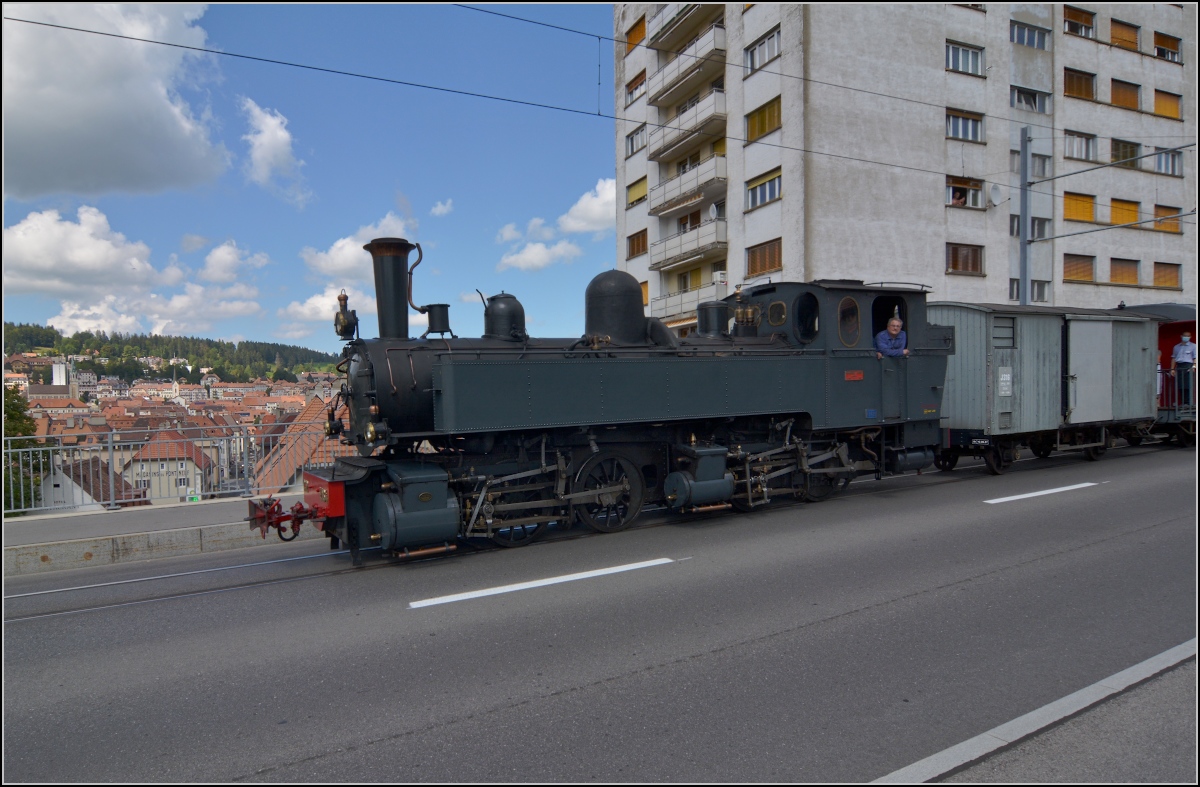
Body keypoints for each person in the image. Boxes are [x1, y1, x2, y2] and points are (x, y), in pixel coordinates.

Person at [1170, 331, 1196, 405]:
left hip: (1188, 365)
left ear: (1190, 337)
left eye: (1188, 336)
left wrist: (1194, 366)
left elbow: (1195, 357)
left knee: (1188, 384)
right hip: (1179, 365)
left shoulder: (1193, 346)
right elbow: (1173, 358)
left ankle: (1189, 403)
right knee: (1180, 385)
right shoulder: (1176, 347)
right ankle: (1183, 402)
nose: (1186, 337)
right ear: (1181, 336)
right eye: (1185, 336)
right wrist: (1172, 368)